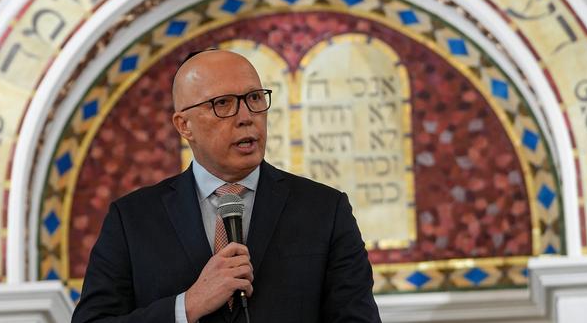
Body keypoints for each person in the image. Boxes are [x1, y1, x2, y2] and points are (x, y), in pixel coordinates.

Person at [72, 50, 381, 322]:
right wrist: (187, 307)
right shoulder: (133, 220)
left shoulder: (324, 211)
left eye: (255, 98)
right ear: (184, 125)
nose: (246, 117)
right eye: (223, 104)